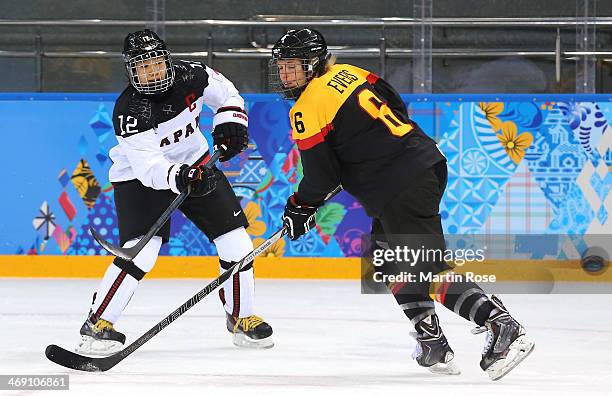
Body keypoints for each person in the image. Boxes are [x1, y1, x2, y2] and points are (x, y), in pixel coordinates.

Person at [269, 28, 534, 380]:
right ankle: (432, 342)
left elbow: (321, 178)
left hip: (399, 183)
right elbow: (395, 106)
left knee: (424, 267)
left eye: (293, 66)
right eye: (283, 67)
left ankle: (500, 325)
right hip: (421, 164)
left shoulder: (306, 108)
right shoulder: (352, 73)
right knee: (387, 261)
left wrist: (300, 206)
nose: (286, 74)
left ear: (313, 63)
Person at [77, 29, 273, 356]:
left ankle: (241, 317)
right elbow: (149, 167)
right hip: (140, 180)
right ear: (131, 71)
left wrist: (231, 121)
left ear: (166, 60)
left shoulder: (191, 75)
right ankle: (98, 322)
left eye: (155, 62)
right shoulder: (130, 111)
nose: (151, 72)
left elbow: (227, 93)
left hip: (196, 162)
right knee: (141, 252)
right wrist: (179, 175)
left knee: (237, 241)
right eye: (142, 67)